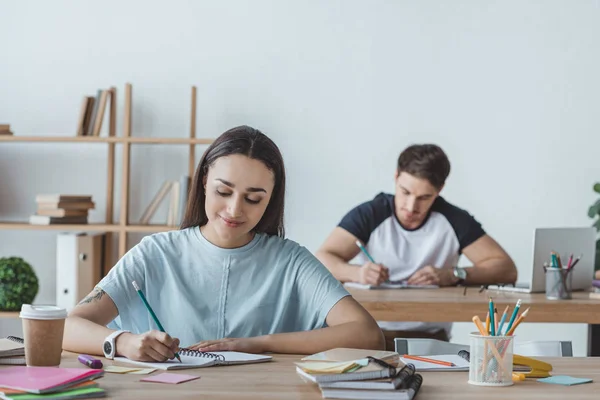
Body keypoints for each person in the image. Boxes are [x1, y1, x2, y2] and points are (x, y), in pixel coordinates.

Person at [63, 126, 384, 361]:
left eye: (254, 198)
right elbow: (67, 326)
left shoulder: (292, 261)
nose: (235, 210)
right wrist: (122, 342)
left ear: (271, 199)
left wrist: (258, 343)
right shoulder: (154, 252)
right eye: (223, 191)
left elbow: (368, 335)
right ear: (204, 181)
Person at [316, 144, 517, 350]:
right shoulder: (371, 214)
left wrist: (453, 274)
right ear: (396, 177)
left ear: (439, 190)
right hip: (370, 333)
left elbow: (506, 269)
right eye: (405, 192)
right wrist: (357, 273)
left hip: (430, 339)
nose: (411, 207)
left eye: (424, 198)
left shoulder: (454, 220)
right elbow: (323, 258)